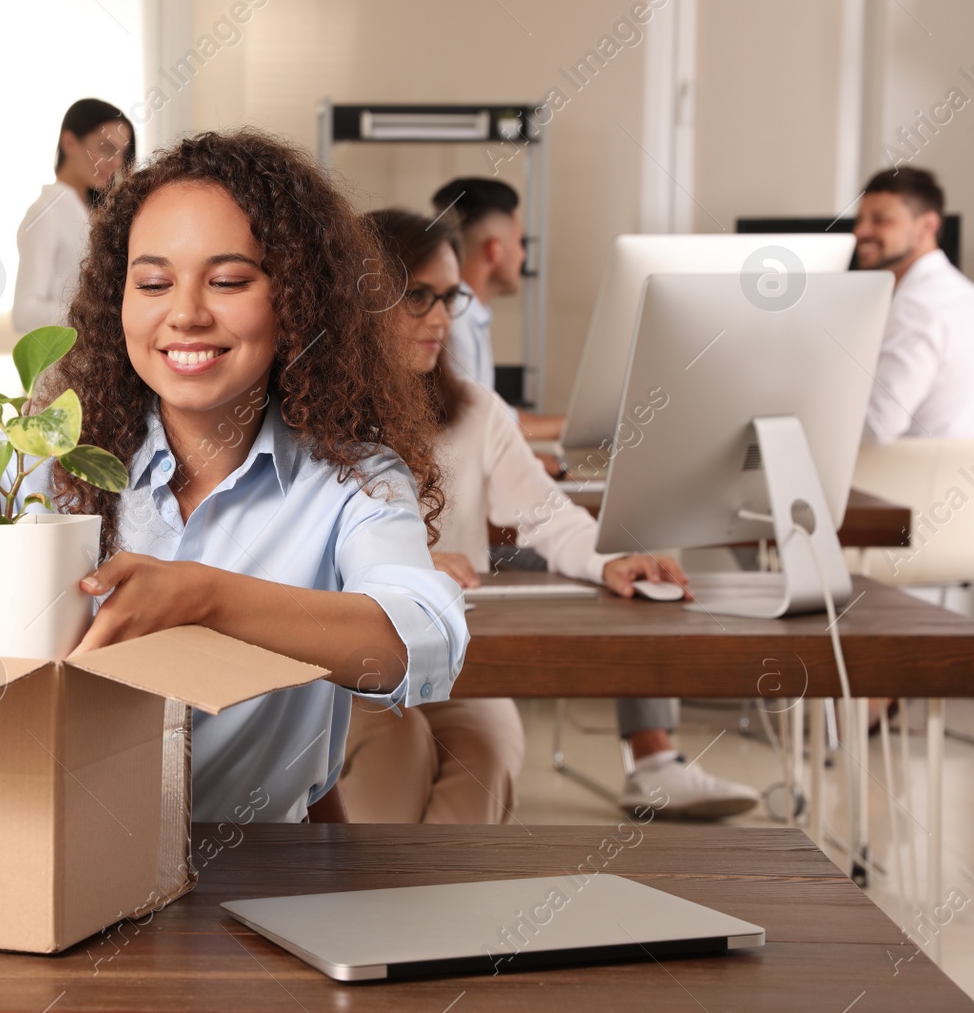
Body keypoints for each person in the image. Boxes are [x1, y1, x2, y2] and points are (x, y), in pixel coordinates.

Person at [0, 130, 469, 825]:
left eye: (228, 281)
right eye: (154, 282)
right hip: (42, 858)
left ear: (298, 300)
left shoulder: (353, 481)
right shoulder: (51, 457)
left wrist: (208, 600)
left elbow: (421, 642)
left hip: (237, 882)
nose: (186, 314)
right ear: (119, 299)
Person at [336, 209, 760, 823]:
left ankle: (437, 910)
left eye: (448, 297)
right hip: (355, 673)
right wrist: (414, 567)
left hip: (451, 669)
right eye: (416, 297)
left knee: (489, 746)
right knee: (395, 758)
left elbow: (546, 515)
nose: (439, 318)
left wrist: (612, 559)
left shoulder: (476, 411)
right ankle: (371, 911)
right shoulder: (309, 419)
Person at [430, 178, 565, 447]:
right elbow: (472, 424)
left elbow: (491, 415)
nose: (524, 255)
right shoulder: (455, 317)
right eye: (520, 242)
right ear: (495, 249)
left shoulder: (470, 312)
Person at [851, 166, 974, 444]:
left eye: (880, 220)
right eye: (860, 220)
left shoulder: (917, 308)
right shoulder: (963, 293)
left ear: (927, 226)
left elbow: (877, 427)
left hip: (906, 482)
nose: (860, 232)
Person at [11, 99, 136, 334]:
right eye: (106, 149)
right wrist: (97, 311)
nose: (117, 162)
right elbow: (23, 314)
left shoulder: (94, 213)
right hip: (62, 363)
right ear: (69, 142)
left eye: (122, 153)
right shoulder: (45, 213)